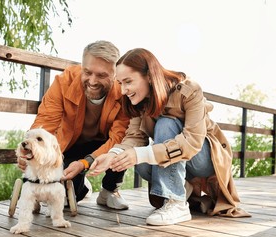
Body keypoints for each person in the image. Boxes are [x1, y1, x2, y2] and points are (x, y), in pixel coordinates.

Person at [89, 48, 250, 226]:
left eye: (128, 82)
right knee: (139, 159)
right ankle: (181, 186)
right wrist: (113, 156)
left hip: (203, 158)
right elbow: (134, 137)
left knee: (165, 124)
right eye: (120, 83)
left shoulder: (189, 90)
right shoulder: (138, 102)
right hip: (176, 158)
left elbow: (192, 142)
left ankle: (176, 203)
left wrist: (141, 154)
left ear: (149, 76)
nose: (123, 90)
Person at [18, 40, 130, 210]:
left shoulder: (123, 91)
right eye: (87, 72)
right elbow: (45, 123)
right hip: (72, 143)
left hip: (105, 143)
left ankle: (110, 190)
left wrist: (85, 164)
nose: (92, 81)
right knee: (66, 201)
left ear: (115, 74)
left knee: (123, 146)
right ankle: (82, 187)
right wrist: (33, 152)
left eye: (101, 75)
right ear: (82, 66)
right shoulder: (64, 82)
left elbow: (119, 136)